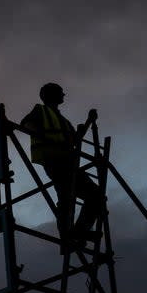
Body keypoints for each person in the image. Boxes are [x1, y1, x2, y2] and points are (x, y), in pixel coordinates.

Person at [21, 82, 105, 245]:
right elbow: (26, 124)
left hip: (68, 162)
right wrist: (40, 133)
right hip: (54, 161)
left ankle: (78, 232)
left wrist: (88, 121)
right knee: (67, 197)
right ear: (52, 95)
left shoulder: (64, 122)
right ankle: (69, 236)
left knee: (95, 196)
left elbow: (75, 140)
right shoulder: (41, 110)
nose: (64, 95)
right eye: (61, 92)